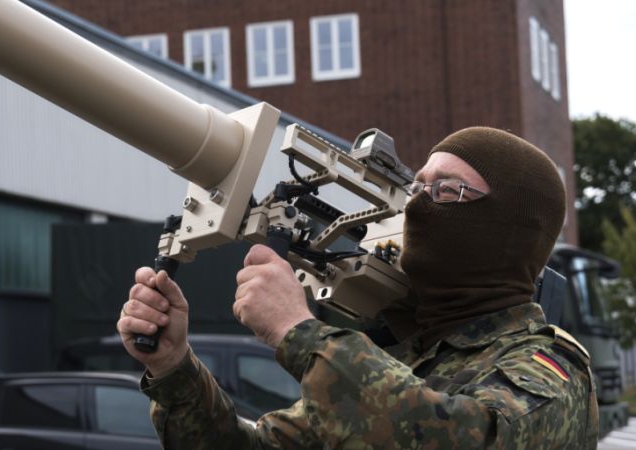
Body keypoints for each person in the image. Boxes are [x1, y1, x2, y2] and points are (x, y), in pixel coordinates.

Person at [117, 127, 599, 449]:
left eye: (446, 191)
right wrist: (173, 366)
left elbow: (465, 439)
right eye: (416, 189)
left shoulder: (549, 372)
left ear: (511, 229)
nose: (417, 208)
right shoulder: (405, 359)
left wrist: (298, 331)